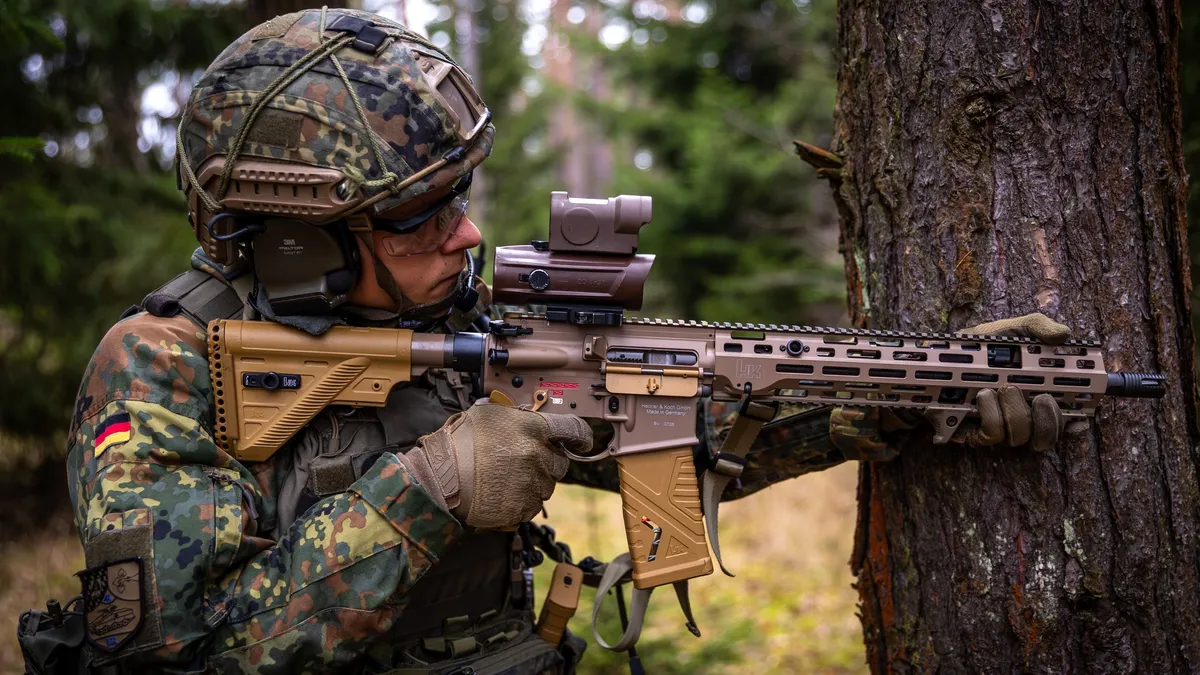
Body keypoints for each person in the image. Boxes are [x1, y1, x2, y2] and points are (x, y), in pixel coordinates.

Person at [48, 8, 1074, 675]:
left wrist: (906, 399)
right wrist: (433, 488)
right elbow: (178, 653)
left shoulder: (452, 315)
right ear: (295, 238)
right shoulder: (163, 366)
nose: (466, 233)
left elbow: (681, 425)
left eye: (460, 196)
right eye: (418, 215)